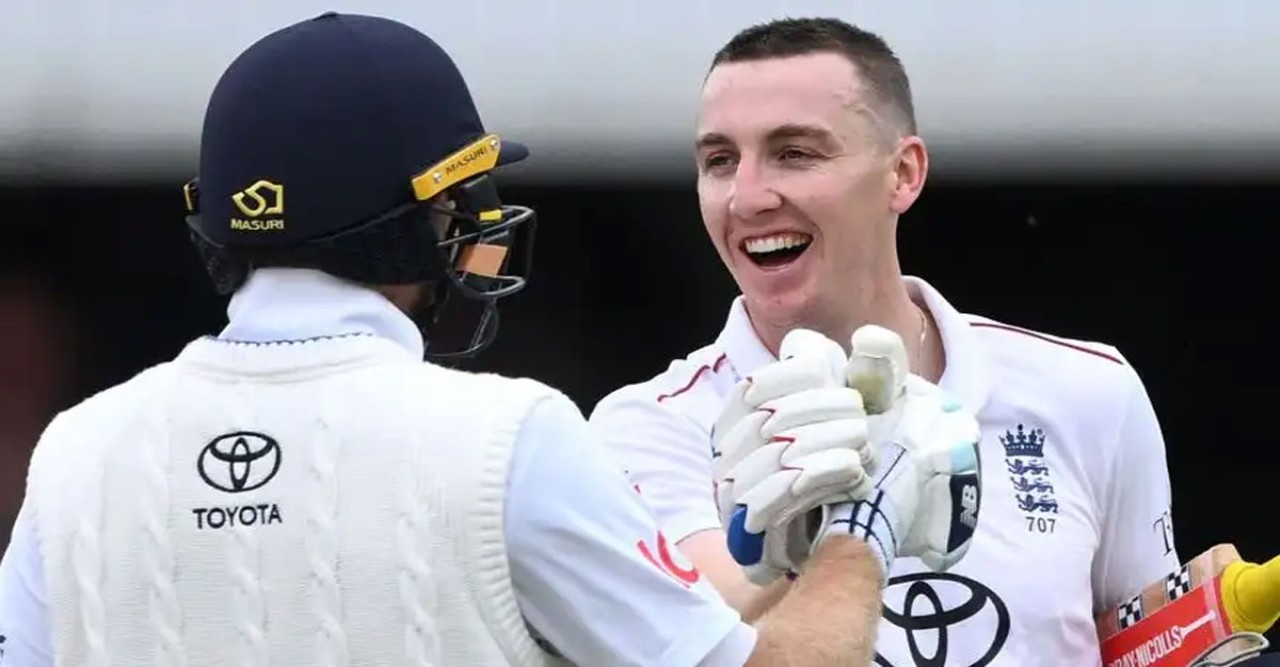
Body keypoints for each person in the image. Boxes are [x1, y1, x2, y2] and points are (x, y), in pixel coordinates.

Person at [0, 12, 937, 667]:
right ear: (422, 214)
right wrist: (861, 525)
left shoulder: (76, 452)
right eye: (460, 199)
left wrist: (767, 568)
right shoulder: (506, 437)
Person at [588, 16, 1183, 667]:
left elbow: (1151, 646)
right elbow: (691, 637)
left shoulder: (1090, 389)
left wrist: (1213, 625)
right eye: (719, 161)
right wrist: (811, 543)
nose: (747, 198)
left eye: (795, 153)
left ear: (903, 173)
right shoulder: (644, 426)